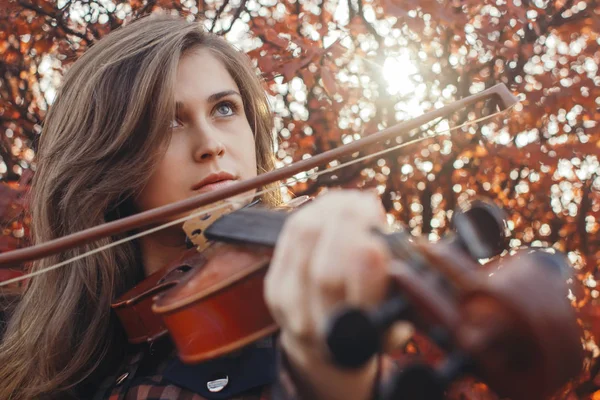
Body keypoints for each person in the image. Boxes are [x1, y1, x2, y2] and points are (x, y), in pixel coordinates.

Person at [0, 15, 411, 399]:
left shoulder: (292, 311)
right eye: (168, 123)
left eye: (225, 109)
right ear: (108, 159)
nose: (211, 143)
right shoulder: (53, 354)